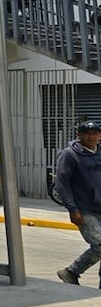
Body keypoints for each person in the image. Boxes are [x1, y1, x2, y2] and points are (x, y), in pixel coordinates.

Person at [53, 120, 101, 287]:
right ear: (79, 135)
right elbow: (62, 183)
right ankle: (72, 271)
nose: (91, 136)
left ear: (100, 135)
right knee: (100, 244)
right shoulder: (69, 155)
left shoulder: (99, 153)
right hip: (84, 209)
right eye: (87, 133)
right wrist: (72, 209)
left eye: (95, 133)